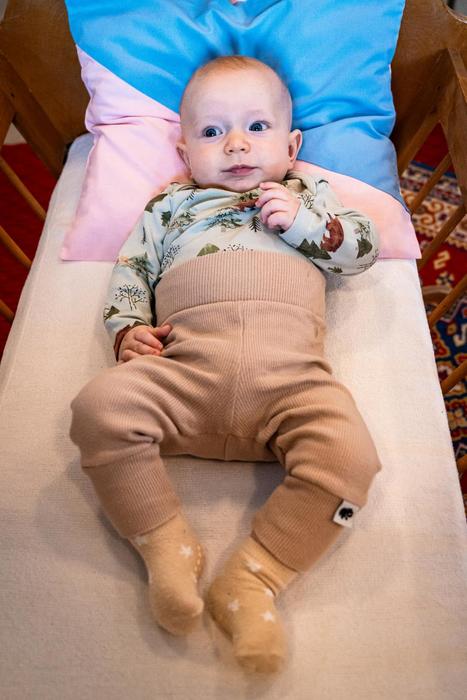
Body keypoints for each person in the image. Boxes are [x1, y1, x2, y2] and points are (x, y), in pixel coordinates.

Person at [70, 55, 382, 674]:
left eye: (257, 127)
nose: (236, 144)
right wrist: (127, 329)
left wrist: (305, 226)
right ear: (185, 151)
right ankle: (165, 543)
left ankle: (254, 577)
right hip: (186, 370)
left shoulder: (309, 196)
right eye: (212, 132)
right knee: (97, 409)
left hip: (290, 380)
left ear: (291, 147)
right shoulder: (170, 205)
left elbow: (362, 251)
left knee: (352, 460)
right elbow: (132, 270)